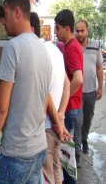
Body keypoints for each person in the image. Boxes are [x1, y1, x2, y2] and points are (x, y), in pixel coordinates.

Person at [0, 0, 52, 184]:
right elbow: (44, 99)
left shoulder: (13, 47)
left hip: (15, 154)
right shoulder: (43, 49)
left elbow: (1, 107)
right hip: (38, 148)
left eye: (5, 15)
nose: (2, 21)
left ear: (16, 12)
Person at [31, 12, 71, 184]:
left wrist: (56, 120)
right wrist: (61, 113)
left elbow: (45, 95)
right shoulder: (55, 50)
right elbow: (67, 84)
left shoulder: (38, 53)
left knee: (46, 175)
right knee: (56, 170)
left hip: (46, 127)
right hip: (55, 125)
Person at [54, 9, 83, 183]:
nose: (56, 32)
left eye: (57, 28)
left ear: (66, 28)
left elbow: (78, 79)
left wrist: (62, 105)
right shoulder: (71, 46)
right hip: (73, 106)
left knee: (66, 157)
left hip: (71, 108)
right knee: (66, 156)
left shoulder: (71, 48)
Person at [75, 20, 103, 154]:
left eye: (82, 30)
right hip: (77, 92)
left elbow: (99, 67)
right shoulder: (72, 45)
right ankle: (77, 149)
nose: (79, 33)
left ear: (87, 30)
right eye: (77, 30)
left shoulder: (95, 46)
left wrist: (100, 88)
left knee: (88, 118)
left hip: (91, 91)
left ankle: (84, 139)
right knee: (78, 121)